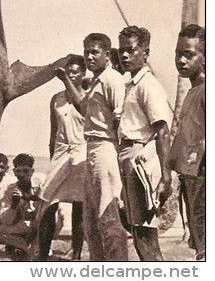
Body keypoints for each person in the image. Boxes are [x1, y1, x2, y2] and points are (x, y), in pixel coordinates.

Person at [117, 26, 172, 261]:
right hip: (127, 155)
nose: (125, 56)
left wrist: (166, 176)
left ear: (145, 53)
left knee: (146, 234)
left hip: (141, 158)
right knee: (137, 230)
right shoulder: (130, 84)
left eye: (130, 50)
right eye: (122, 51)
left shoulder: (148, 85)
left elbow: (163, 131)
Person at [78, 33, 128, 261]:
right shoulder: (95, 81)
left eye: (94, 52)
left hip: (106, 148)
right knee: (90, 221)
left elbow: (121, 119)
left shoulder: (112, 79)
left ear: (107, 54)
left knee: (109, 217)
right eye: (86, 51)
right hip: (91, 148)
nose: (89, 56)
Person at [35, 56, 87, 261]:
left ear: (83, 73)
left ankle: (76, 254)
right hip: (61, 150)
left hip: (82, 150)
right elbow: (53, 130)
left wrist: (67, 80)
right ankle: (42, 253)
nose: (72, 74)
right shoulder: (56, 98)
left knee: (79, 204)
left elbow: (81, 106)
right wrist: (52, 155)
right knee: (48, 202)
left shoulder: (86, 95)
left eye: (75, 71)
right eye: (69, 71)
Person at [167, 24, 205, 261]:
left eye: (189, 54)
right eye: (178, 53)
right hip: (191, 180)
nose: (181, 60)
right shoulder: (193, 91)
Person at [0, 153, 43, 260]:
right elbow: (5, 221)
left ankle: (39, 246)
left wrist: (27, 197)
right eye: (18, 171)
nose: (21, 174)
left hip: (40, 224)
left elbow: (46, 206)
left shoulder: (41, 184)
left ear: (32, 171)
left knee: (54, 217)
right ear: (14, 172)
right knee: (1, 231)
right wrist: (14, 205)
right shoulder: (11, 190)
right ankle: (26, 247)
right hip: (24, 224)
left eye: (25, 171)